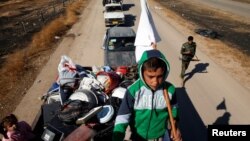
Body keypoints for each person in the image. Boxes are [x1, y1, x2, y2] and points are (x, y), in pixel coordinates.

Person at [113, 49, 182, 141]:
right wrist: (117, 138)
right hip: (137, 137)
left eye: (160, 76)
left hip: (160, 137)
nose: (155, 82)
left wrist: (175, 127)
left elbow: (174, 110)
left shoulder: (170, 90)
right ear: (142, 72)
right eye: (150, 76)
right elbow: (123, 117)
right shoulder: (133, 91)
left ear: (165, 73)